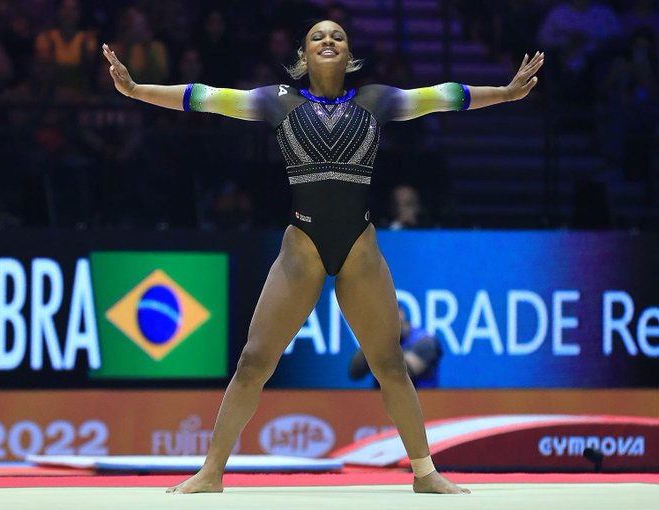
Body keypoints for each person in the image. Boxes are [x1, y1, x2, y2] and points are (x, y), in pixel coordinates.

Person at [102, 19, 543, 495]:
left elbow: (443, 95)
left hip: (359, 246)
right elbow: (204, 97)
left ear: (348, 55)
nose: (328, 41)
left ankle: (425, 473)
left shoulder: (375, 101)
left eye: (337, 36)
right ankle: (211, 472)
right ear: (303, 57)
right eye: (317, 37)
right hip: (302, 248)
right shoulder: (277, 101)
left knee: (390, 364)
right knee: (253, 361)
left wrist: (504, 93)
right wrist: (136, 90)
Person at [349, 306, 443, 388]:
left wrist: (379, 348)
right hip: (382, 404)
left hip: (422, 404)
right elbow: (355, 372)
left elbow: (399, 374)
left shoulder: (426, 342)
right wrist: (372, 339)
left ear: (401, 313)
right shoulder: (378, 340)